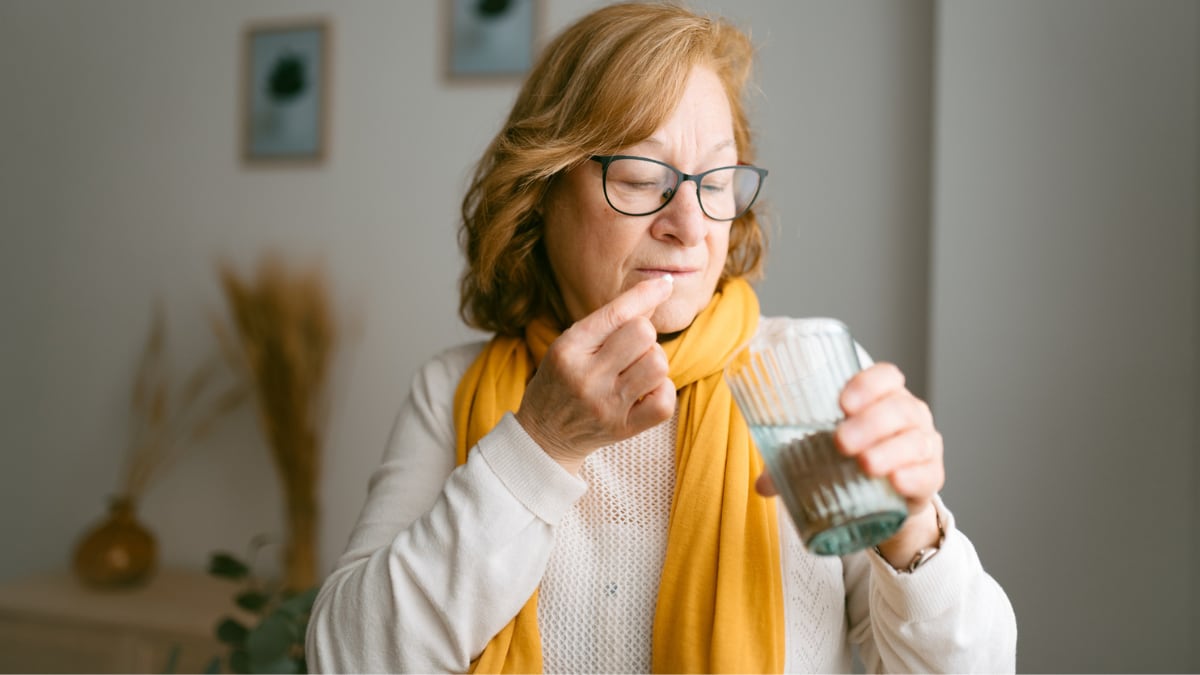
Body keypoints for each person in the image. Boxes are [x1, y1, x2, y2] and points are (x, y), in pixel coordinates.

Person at [306, 3, 1017, 673]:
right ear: (542, 189)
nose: (691, 223)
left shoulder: (804, 378)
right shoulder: (453, 390)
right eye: (644, 176)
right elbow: (344, 658)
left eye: (715, 179)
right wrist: (540, 443)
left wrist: (914, 532)